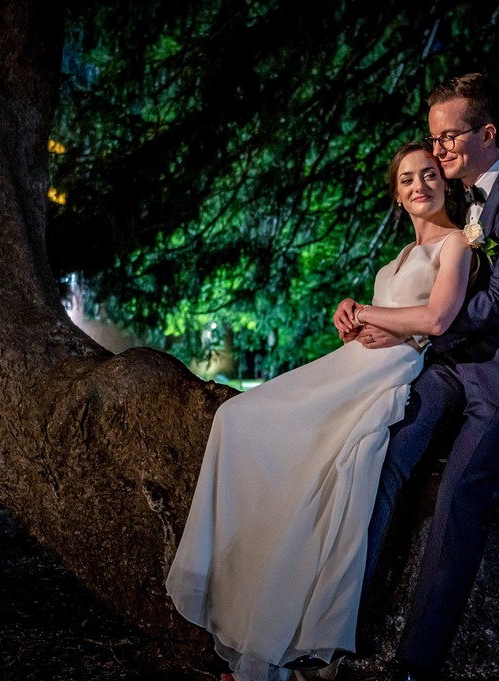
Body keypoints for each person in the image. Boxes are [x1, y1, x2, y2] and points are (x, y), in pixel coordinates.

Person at [164, 141, 482, 681]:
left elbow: (434, 319)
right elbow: (388, 313)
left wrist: (376, 314)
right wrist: (351, 312)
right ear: (398, 198)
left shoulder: (456, 245)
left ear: (445, 183)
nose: (418, 186)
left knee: (307, 456)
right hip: (352, 361)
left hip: (387, 372)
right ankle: (236, 590)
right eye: (406, 181)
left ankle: (291, 638)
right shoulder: (395, 260)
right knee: (238, 420)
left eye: (427, 175)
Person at [357, 73, 499, 681]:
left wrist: (414, 328)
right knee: (384, 447)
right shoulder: (464, 208)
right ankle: (340, 620)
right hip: (461, 366)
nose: (438, 151)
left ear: (487, 133)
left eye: (450, 136)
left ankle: (416, 662)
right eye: (434, 139)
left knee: (459, 498)